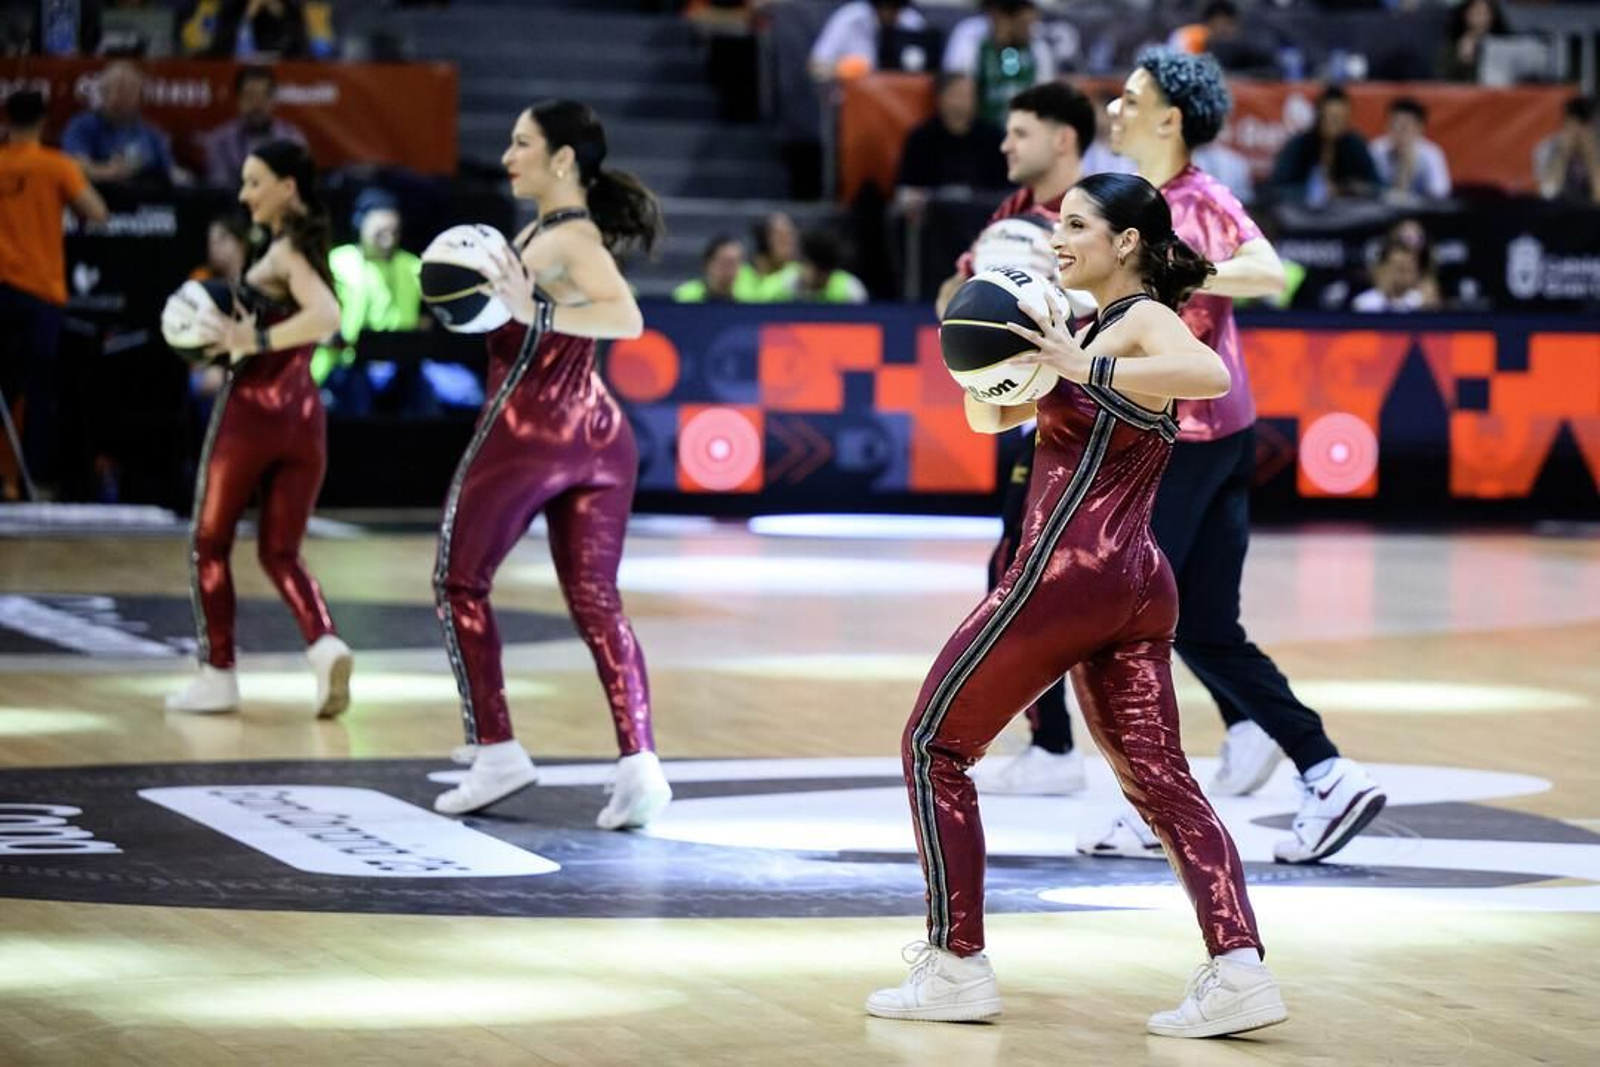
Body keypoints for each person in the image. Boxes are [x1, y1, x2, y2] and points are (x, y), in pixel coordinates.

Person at [868, 172, 1287, 1037]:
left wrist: (1076, 360)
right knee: (1160, 781)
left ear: (1126, 241)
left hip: (1063, 576)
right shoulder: (1086, 323)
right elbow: (994, 420)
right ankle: (1239, 967)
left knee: (933, 745)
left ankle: (955, 965)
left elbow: (1208, 370)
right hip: (1133, 585)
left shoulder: (1138, 320)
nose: (1058, 236)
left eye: (1076, 223)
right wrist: (996, 348)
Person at [1101, 48, 1386, 860]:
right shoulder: (1143, 200)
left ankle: (1153, 797)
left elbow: (1269, 270)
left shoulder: (1197, 199)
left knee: (1126, 620)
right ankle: (1327, 772)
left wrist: (1189, 272)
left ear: (1170, 120)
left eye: (1130, 97)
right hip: (1216, 437)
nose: (1114, 108)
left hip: (1189, 443)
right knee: (1206, 628)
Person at [432, 100, 673, 831]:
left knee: (457, 581)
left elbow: (626, 316)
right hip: (600, 432)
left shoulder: (570, 237)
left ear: (563, 159)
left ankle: (496, 748)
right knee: (598, 601)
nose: (508, 155)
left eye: (521, 142)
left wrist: (535, 313)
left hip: (530, 428)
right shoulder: (545, 231)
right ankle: (640, 766)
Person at [937, 80, 1100, 797]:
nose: (1005, 143)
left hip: (1098, 418)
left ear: (1064, 139)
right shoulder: (1008, 216)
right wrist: (983, 295)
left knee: (1077, 582)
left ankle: (1067, 749)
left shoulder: (1099, 210)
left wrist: (1055, 300)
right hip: (1039, 422)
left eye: (1021, 131)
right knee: (1017, 569)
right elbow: (951, 303)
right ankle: (1056, 743)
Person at [164, 139, 353, 718]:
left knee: (209, 543)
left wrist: (255, 340)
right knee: (281, 551)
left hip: (251, 414)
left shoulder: (283, 253)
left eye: (254, 182)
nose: (244, 194)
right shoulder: (308, 248)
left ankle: (217, 675)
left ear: (287, 189)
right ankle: (324, 645)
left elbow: (328, 318)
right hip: (304, 417)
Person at [0, 89, 108, 502]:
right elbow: (97, 212)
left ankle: (9, 482)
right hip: (40, 293)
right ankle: (35, 483)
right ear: (44, 122)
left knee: (6, 392)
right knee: (39, 392)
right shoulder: (57, 166)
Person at [894, 73, 1008, 220]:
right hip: (934, 221)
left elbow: (1007, 190)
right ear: (940, 98)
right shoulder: (921, 138)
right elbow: (905, 190)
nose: (965, 102)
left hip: (982, 219)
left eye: (969, 95)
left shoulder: (993, 137)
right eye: (958, 95)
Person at [61, 61, 178, 186]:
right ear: (103, 93)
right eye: (118, 89)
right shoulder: (82, 127)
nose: (123, 96)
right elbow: (74, 166)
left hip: (144, 199)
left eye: (131, 90)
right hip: (101, 198)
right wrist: (106, 172)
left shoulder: (150, 134)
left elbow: (172, 173)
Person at [942, 0, 1055, 129]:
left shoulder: (1038, 46)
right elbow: (956, 93)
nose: (1031, 28)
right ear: (1002, 17)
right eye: (1024, 23)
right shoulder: (970, 35)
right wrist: (997, 48)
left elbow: (1046, 99)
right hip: (979, 131)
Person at [1268, 85, 1380, 205]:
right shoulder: (1299, 145)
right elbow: (1277, 188)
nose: (1335, 124)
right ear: (1319, 115)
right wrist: (1311, 191)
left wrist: (1349, 189)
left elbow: (1376, 186)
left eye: (1341, 119)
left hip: (1348, 213)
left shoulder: (1355, 145)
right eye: (1331, 118)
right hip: (1304, 212)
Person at [200, 65, 307, 187]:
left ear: (273, 101)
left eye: (263, 97)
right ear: (238, 100)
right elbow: (219, 188)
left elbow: (299, 186)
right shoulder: (220, 141)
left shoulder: (292, 138)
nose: (257, 105)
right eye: (249, 96)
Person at [1370, 97, 1452, 203]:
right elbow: (1369, 190)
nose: (1398, 132)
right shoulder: (1376, 149)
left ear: (1420, 128)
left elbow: (1440, 192)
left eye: (1404, 127)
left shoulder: (1431, 153)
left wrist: (1407, 167)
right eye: (1393, 125)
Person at [1533, 95, 1600, 204]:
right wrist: (1561, 154)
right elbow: (1548, 194)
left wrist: (1591, 156)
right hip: (1560, 213)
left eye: (1585, 126)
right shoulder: (1546, 148)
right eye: (1574, 126)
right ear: (1565, 123)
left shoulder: (1597, 146)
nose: (1579, 133)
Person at [1435, 0, 1510, 83]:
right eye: (1475, 13)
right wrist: (1463, 61)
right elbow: (1442, 80)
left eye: (1484, 13)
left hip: (1496, 93)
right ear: (1466, 15)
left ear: (1492, 16)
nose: (1480, 19)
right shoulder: (1452, 45)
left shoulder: (1504, 44)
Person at [795, 229, 868, 303]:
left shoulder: (851, 289)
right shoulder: (787, 284)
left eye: (808, 265)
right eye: (802, 262)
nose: (802, 270)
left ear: (825, 271)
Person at [672, 234, 745, 303]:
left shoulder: (747, 298)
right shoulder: (685, 296)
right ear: (708, 264)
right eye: (725, 262)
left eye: (735, 263)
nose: (730, 269)